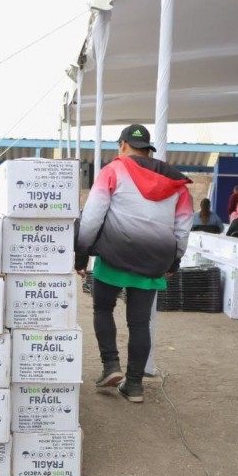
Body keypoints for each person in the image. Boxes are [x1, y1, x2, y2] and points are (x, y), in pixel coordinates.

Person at [75, 124, 192, 403]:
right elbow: (184, 227)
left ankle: (111, 366)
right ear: (148, 149)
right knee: (139, 322)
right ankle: (135, 385)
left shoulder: (113, 170)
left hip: (115, 254)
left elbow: (92, 217)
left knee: (103, 307)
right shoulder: (176, 183)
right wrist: (175, 259)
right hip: (153, 257)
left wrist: (81, 254)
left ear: (123, 146)